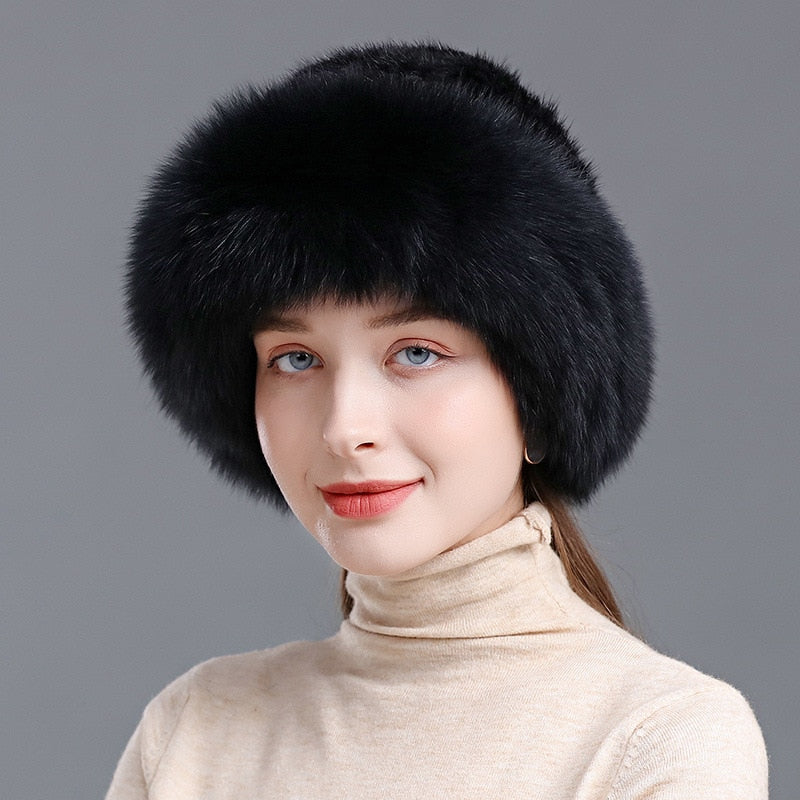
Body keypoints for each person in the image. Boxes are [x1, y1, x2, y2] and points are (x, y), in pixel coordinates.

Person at [106, 41, 768, 798]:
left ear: (539, 397)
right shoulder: (195, 730)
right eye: (295, 358)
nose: (344, 429)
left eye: (416, 353)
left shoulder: (659, 739)